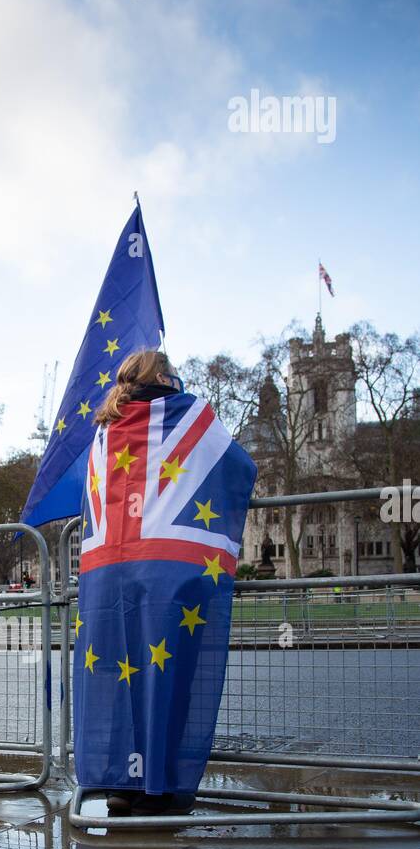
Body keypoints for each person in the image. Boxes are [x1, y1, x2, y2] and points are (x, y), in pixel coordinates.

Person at [72, 348, 256, 817]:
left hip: (107, 575)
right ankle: (159, 785)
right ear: (165, 376)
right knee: (167, 675)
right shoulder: (189, 410)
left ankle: (119, 783)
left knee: (118, 677)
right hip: (166, 574)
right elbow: (238, 466)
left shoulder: (103, 429)